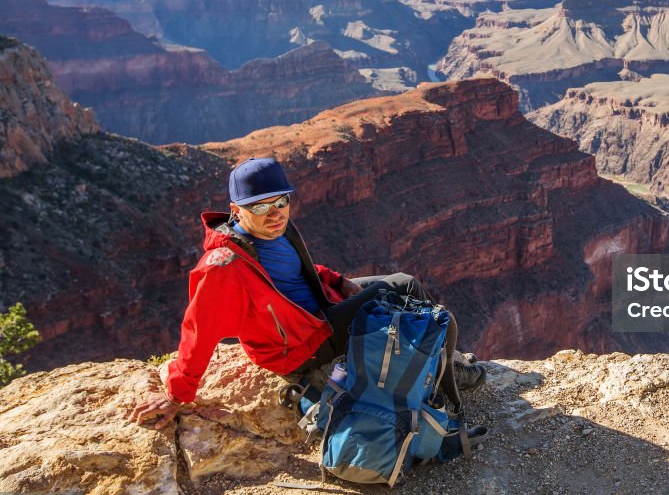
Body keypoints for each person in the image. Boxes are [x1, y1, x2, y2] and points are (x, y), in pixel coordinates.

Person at [130, 157, 483, 428]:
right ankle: (445, 375)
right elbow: (198, 330)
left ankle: (437, 358)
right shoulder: (223, 266)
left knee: (405, 283)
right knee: (403, 294)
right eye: (259, 207)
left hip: (319, 311)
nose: (274, 214)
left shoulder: (275, 231)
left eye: (280, 202)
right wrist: (177, 393)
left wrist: (340, 282)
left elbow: (301, 271)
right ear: (236, 211)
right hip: (303, 345)